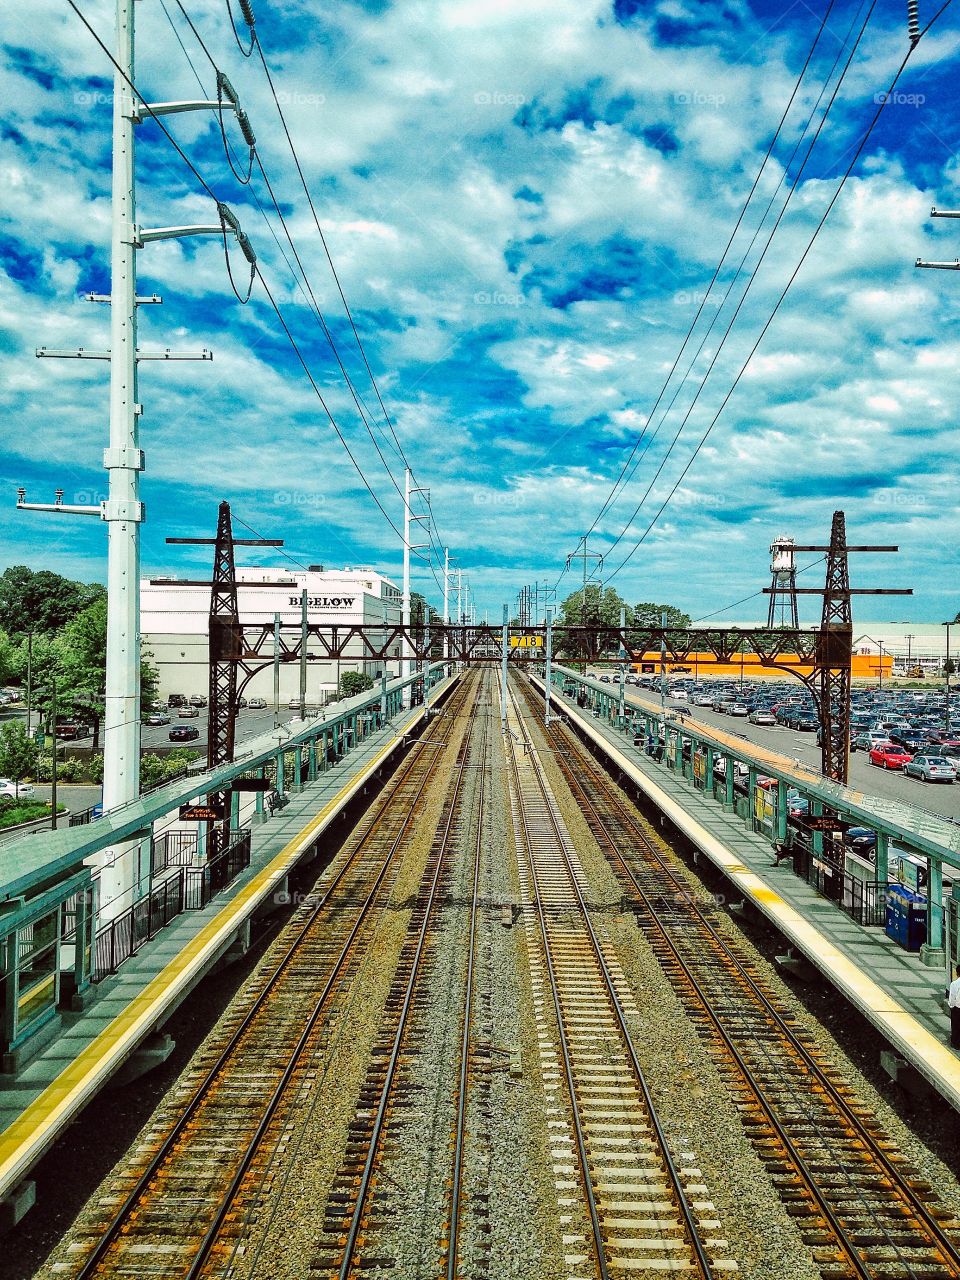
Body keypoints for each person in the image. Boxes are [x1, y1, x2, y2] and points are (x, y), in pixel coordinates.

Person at [950, 971, 960, 1050]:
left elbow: (952, 997)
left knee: (956, 1025)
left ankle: (956, 1043)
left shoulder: (954, 984)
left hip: (957, 1008)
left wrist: (951, 1006)